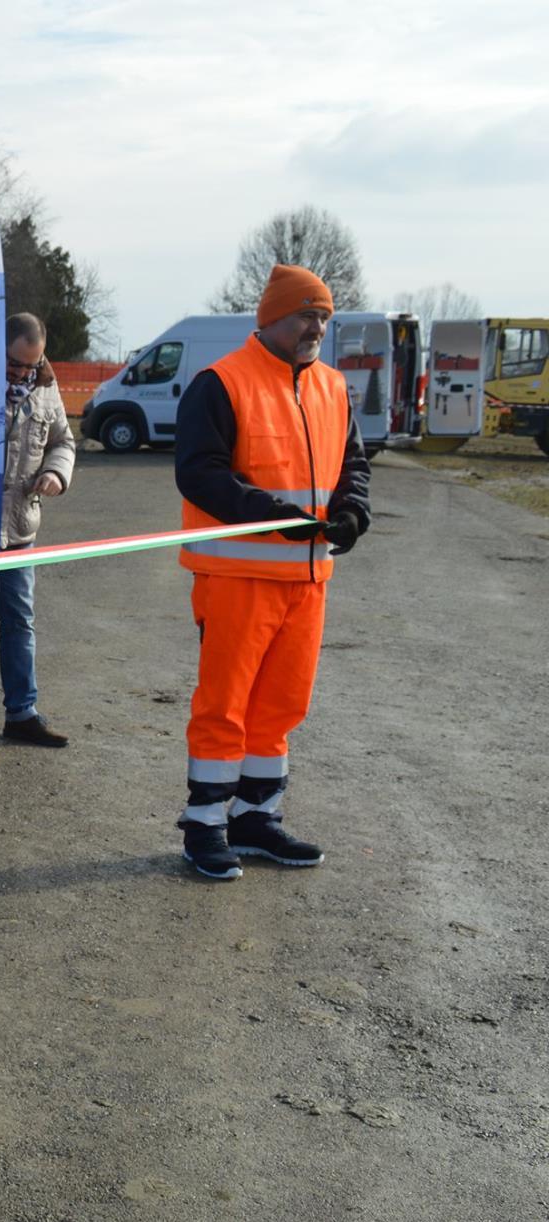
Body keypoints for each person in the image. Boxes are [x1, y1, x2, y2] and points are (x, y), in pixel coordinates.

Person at [171, 263, 370, 880]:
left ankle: (257, 818)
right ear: (271, 317)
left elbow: (353, 465)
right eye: (306, 314)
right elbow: (200, 473)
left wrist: (353, 511)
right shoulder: (221, 382)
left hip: (307, 580)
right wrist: (272, 516)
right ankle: (204, 824)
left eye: (323, 317)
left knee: (281, 706)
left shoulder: (334, 387)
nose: (316, 327)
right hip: (237, 578)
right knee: (225, 705)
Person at [0, 313, 76, 746]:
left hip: (20, 530)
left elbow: (63, 440)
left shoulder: (46, 389)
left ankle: (21, 714)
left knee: (19, 622)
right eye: (14, 364)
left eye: (31, 364)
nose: (23, 373)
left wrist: (55, 474)